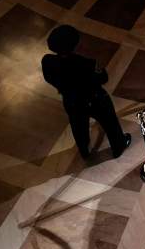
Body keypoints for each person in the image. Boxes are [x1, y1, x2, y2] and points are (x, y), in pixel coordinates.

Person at [41, 25, 131, 160]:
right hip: (94, 99)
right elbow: (102, 78)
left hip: (71, 100)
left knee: (79, 128)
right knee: (110, 123)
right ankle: (118, 145)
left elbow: (49, 78)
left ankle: (84, 151)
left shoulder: (47, 61)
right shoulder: (86, 63)